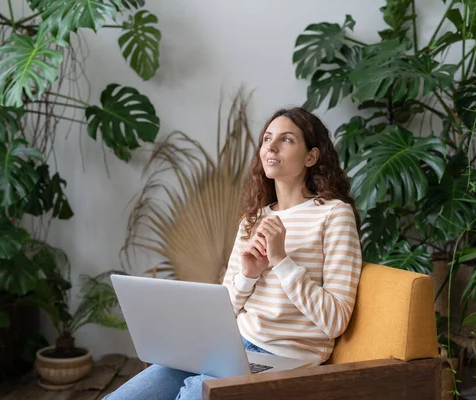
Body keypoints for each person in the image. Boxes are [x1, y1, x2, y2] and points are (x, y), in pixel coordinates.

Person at [104, 107, 363, 400]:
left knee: (192, 395)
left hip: (285, 358)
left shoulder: (333, 215)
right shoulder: (252, 220)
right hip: (230, 344)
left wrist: (281, 260)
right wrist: (248, 276)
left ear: (311, 157)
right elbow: (226, 307)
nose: (271, 147)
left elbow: (336, 320)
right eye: (267, 138)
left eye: (286, 139)